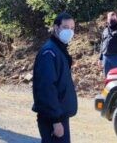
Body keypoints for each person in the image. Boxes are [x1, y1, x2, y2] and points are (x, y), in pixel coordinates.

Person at [32, 12, 78, 143]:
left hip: (59, 114)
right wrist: (55, 121)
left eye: (72, 28)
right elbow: (47, 88)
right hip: (53, 118)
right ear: (56, 28)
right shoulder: (49, 53)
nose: (69, 31)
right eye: (65, 27)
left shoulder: (59, 50)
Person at [99, 12, 117, 77]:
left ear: (116, 19)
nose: (112, 20)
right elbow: (102, 44)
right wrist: (100, 58)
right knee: (107, 77)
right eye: (110, 18)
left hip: (116, 58)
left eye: (114, 18)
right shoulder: (105, 30)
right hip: (105, 58)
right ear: (107, 20)